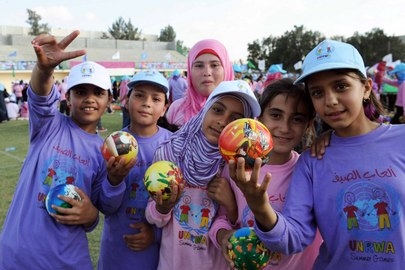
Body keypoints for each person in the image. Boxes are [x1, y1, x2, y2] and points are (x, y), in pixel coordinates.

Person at [228, 39, 405, 270]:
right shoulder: (311, 161)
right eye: (318, 92)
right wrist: (259, 206)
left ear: (367, 87)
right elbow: (295, 237)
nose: (330, 100)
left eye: (341, 86)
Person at [0, 30, 134, 269]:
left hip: (67, 261)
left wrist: (113, 182)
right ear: (68, 97)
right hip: (16, 256)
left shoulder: (105, 151)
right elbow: (40, 94)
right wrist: (45, 70)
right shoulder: (48, 124)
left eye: (98, 93)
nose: (89, 98)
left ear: (108, 100)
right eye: (80, 92)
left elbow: (105, 207)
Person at [145, 80, 261, 269]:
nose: (223, 121)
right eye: (217, 110)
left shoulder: (236, 167)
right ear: (204, 110)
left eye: (235, 119)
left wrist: (231, 205)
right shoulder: (170, 153)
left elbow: (237, 226)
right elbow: (153, 217)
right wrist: (163, 207)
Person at [210, 78, 323, 269]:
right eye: (276, 115)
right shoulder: (235, 167)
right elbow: (221, 219)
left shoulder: (311, 169)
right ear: (259, 119)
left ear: (308, 125)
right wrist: (223, 236)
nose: (285, 127)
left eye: (297, 119)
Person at [98, 69, 173, 270]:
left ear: (165, 107)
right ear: (126, 101)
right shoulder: (112, 144)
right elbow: (105, 206)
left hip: (156, 252)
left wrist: (154, 235)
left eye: (156, 99)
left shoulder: (173, 145)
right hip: (116, 249)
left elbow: (179, 200)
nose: (147, 103)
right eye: (139, 95)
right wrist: (114, 181)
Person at [165, 39, 234, 128]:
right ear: (190, 71)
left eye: (214, 65)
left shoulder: (241, 110)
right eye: (199, 65)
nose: (207, 72)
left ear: (226, 69)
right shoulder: (177, 109)